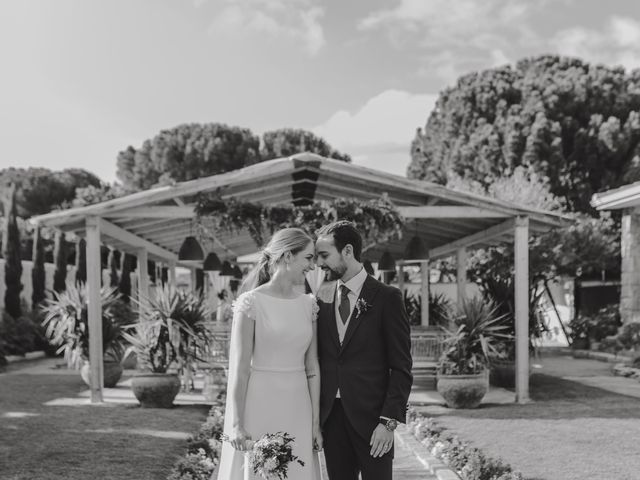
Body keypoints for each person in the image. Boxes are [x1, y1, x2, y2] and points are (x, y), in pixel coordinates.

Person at [215, 228, 322, 480]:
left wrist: (315, 422)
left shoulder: (309, 304)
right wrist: (237, 424)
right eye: (308, 258)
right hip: (260, 401)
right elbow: (240, 369)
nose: (313, 265)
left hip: (298, 404)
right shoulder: (251, 302)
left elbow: (313, 367)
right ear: (287, 256)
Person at [315, 221, 413, 480]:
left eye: (324, 255)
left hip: (374, 422)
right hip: (332, 420)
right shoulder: (321, 297)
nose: (318, 263)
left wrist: (388, 423)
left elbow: (401, 368)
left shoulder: (387, 297)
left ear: (347, 251)